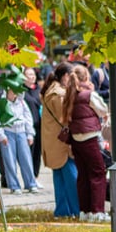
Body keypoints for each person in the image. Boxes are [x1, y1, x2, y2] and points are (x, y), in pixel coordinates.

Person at [63, 64, 109, 222]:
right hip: (90, 137)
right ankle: (97, 211)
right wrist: (93, 91)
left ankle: (85, 211)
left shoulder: (70, 95)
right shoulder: (89, 94)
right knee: (98, 173)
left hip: (76, 139)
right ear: (87, 78)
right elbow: (103, 110)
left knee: (83, 175)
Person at [41, 63, 80, 218]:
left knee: (60, 178)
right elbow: (64, 117)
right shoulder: (58, 94)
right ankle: (76, 210)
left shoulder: (51, 90)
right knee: (71, 178)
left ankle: (63, 211)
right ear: (66, 76)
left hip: (53, 141)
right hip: (61, 143)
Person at [0, 88, 40, 195]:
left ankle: (31, 183)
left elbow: (28, 118)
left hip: (21, 132)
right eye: (11, 91)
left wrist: (30, 134)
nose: (14, 93)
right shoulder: (2, 104)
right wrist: (1, 135)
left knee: (26, 158)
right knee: (9, 160)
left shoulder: (21, 102)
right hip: (8, 132)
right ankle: (14, 185)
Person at [23, 67, 44, 180]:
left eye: (33, 75)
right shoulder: (21, 91)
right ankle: (29, 176)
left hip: (39, 125)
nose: (32, 77)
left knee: (37, 152)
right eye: (29, 75)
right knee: (29, 152)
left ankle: (35, 176)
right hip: (27, 126)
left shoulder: (39, 90)